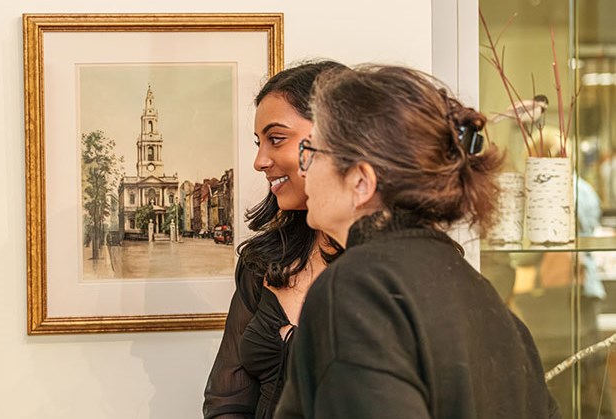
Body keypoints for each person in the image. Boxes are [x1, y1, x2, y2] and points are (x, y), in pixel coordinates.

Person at [275, 65, 561, 418]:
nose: (303, 170)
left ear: (361, 182)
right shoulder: (486, 297)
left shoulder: (358, 287)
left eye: (311, 152)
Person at [202, 61, 346, 419]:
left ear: (340, 138)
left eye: (276, 139)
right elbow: (226, 402)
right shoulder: (262, 261)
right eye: (258, 142)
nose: (259, 161)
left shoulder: (404, 269)